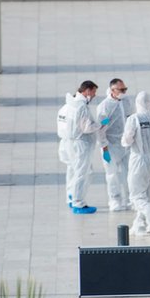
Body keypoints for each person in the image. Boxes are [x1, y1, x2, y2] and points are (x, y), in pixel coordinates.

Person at [122, 91, 150, 237]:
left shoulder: (134, 119)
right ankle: (139, 226)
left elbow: (127, 140)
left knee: (136, 196)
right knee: (148, 196)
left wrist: (125, 141)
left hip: (139, 159)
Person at [58, 80, 106, 214]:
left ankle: (71, 197)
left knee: (73, 170)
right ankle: (78, 202)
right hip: (80, 144)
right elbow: (86, 127)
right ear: (87, 91)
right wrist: (100, 124)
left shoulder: (67, 106)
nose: (94, 95)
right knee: (82, 172)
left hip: (68, 143)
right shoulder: (81, 107)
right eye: (94, 92)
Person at [96, 78, 132, 212]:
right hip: (110, 145)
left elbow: (130, 118)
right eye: (121, 90)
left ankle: (130, 199)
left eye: (125, 89)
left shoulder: (126, 101)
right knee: (112, 174)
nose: (124, 92)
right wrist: (104, 146)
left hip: (125, 144)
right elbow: (101, 128)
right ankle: (115, 200)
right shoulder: (105, 107)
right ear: (112, 90)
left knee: (129, 173)